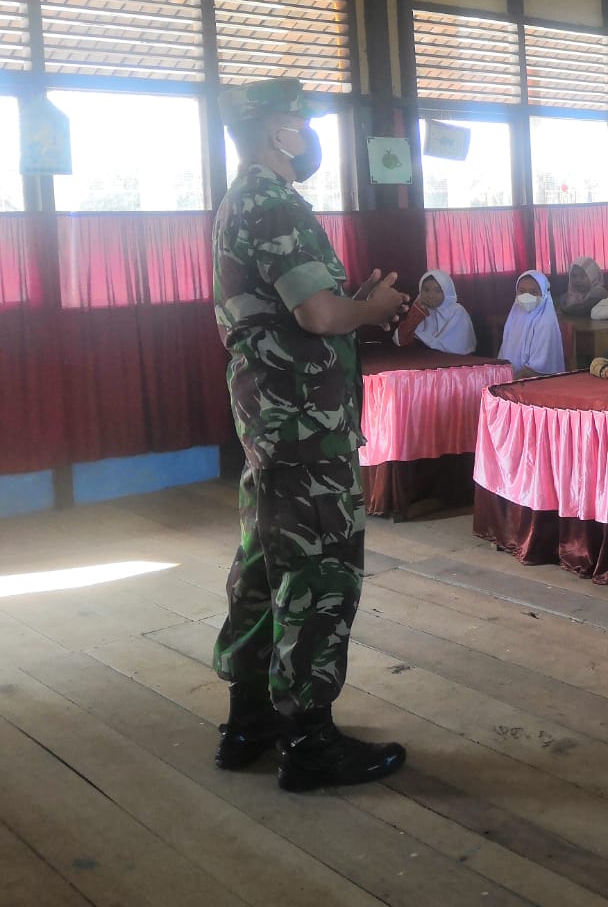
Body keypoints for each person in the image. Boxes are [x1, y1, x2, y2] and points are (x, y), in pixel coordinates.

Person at [211, 77, 408, 792]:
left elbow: (300, 311)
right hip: (303, 427)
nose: (312, 134)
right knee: (318, 571)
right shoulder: (274, 201)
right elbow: (318, 317)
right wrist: (371, 309)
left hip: (274, 421)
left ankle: (250, 723)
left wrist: (349, 304)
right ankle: (309, 743)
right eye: (304, 122)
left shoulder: (241, 200)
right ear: (279, 131)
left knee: (266, 565)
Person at [498, 270, 565, 378]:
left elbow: (536, 370)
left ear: (544, 294)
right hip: (511, 378)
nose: (526, 296)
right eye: (521, 291)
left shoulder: (545, 323)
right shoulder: (514, 317)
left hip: (537, 382)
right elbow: (503, 355)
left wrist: (509, 381)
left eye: (533, 292)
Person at [394, 269, 476, 354]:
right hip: (425, 357)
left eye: (438, 291)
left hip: (455, 358)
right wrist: (417, 312)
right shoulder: (421, 309)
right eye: (426, 290)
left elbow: (460, 346)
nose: (431, 295)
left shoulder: (457, 311)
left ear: (447, 292)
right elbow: (401, 339)